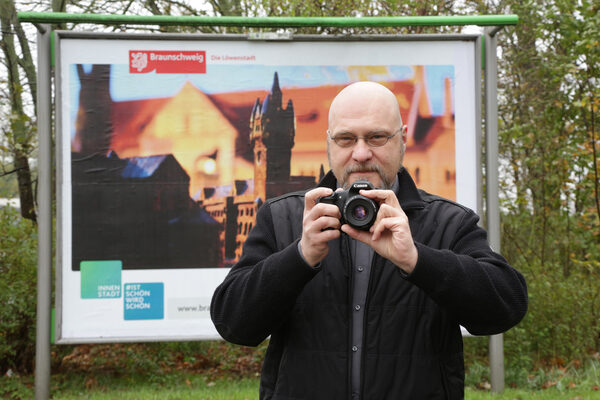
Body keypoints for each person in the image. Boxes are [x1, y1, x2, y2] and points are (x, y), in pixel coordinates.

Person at [211, 81, 528, 399]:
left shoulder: (448, 222)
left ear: (402, 139)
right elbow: (233, 322)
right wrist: (299, 257)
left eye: (377, 137)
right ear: (329, 144)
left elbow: (505, 307)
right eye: (346, 139)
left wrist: (417, 260)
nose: (361, 154)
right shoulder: (285, 218)